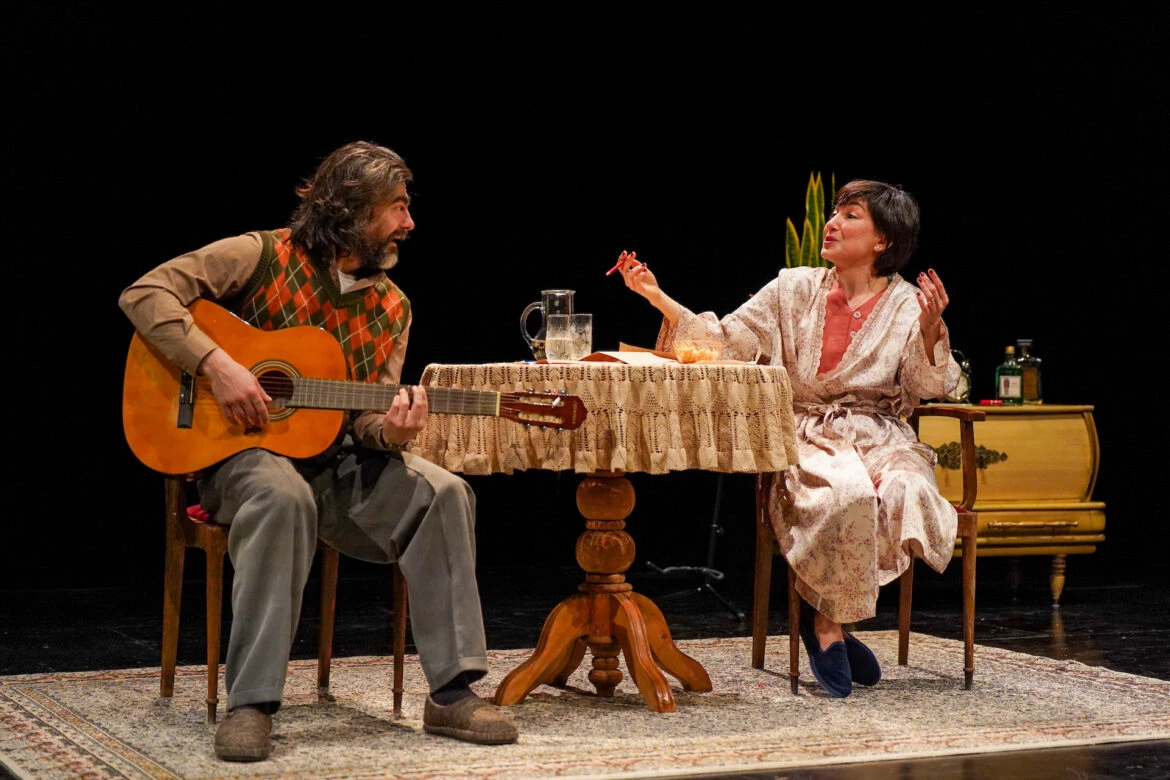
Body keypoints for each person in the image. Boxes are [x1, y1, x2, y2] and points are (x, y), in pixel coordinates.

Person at [118, 141, 518, 761]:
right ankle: (251, 704)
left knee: (444, 492)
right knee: (282, 496)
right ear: (353, 210)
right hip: (240, 458)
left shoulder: (392, 308)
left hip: (334, 464)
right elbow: (145, 294)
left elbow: (367, 418)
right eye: (397, 206)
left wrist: (394, 432)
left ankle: (451, 693)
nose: (409, 222)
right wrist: (218, 365)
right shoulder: (260, 255)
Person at [614, 179, 960, 698]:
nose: (833, 223)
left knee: (907, 491)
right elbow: (725, 342)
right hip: (808, 434)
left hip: (880, 435)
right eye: (835, 212)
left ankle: (828, 611)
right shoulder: (793, 288)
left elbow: (928, 386)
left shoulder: (909, 305)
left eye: (851, 216)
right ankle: (827, 626)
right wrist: (656, 297)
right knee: (847, 494)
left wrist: (932, 329)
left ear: (883, 240)